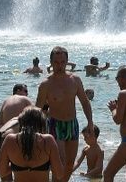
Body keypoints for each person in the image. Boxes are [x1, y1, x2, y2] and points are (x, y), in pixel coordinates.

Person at [35, 46, 93, 182]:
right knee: (59, 163)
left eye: (62, 62)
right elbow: (37, 109)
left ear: (67, 62)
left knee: (69, 164)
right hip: (55, 124)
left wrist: (90, 122)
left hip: (72, 124)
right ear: (51, 62)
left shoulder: (75, 80)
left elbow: (85, 102)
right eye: (56, 62)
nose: (59, 66)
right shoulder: (46, 84)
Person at [0, 107, 64, 182]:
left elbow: (1, 173)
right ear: (41, 123)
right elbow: (59, 174)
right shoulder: (48, 140)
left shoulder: (10, 140)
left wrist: (16, 165)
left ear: (21, 122)